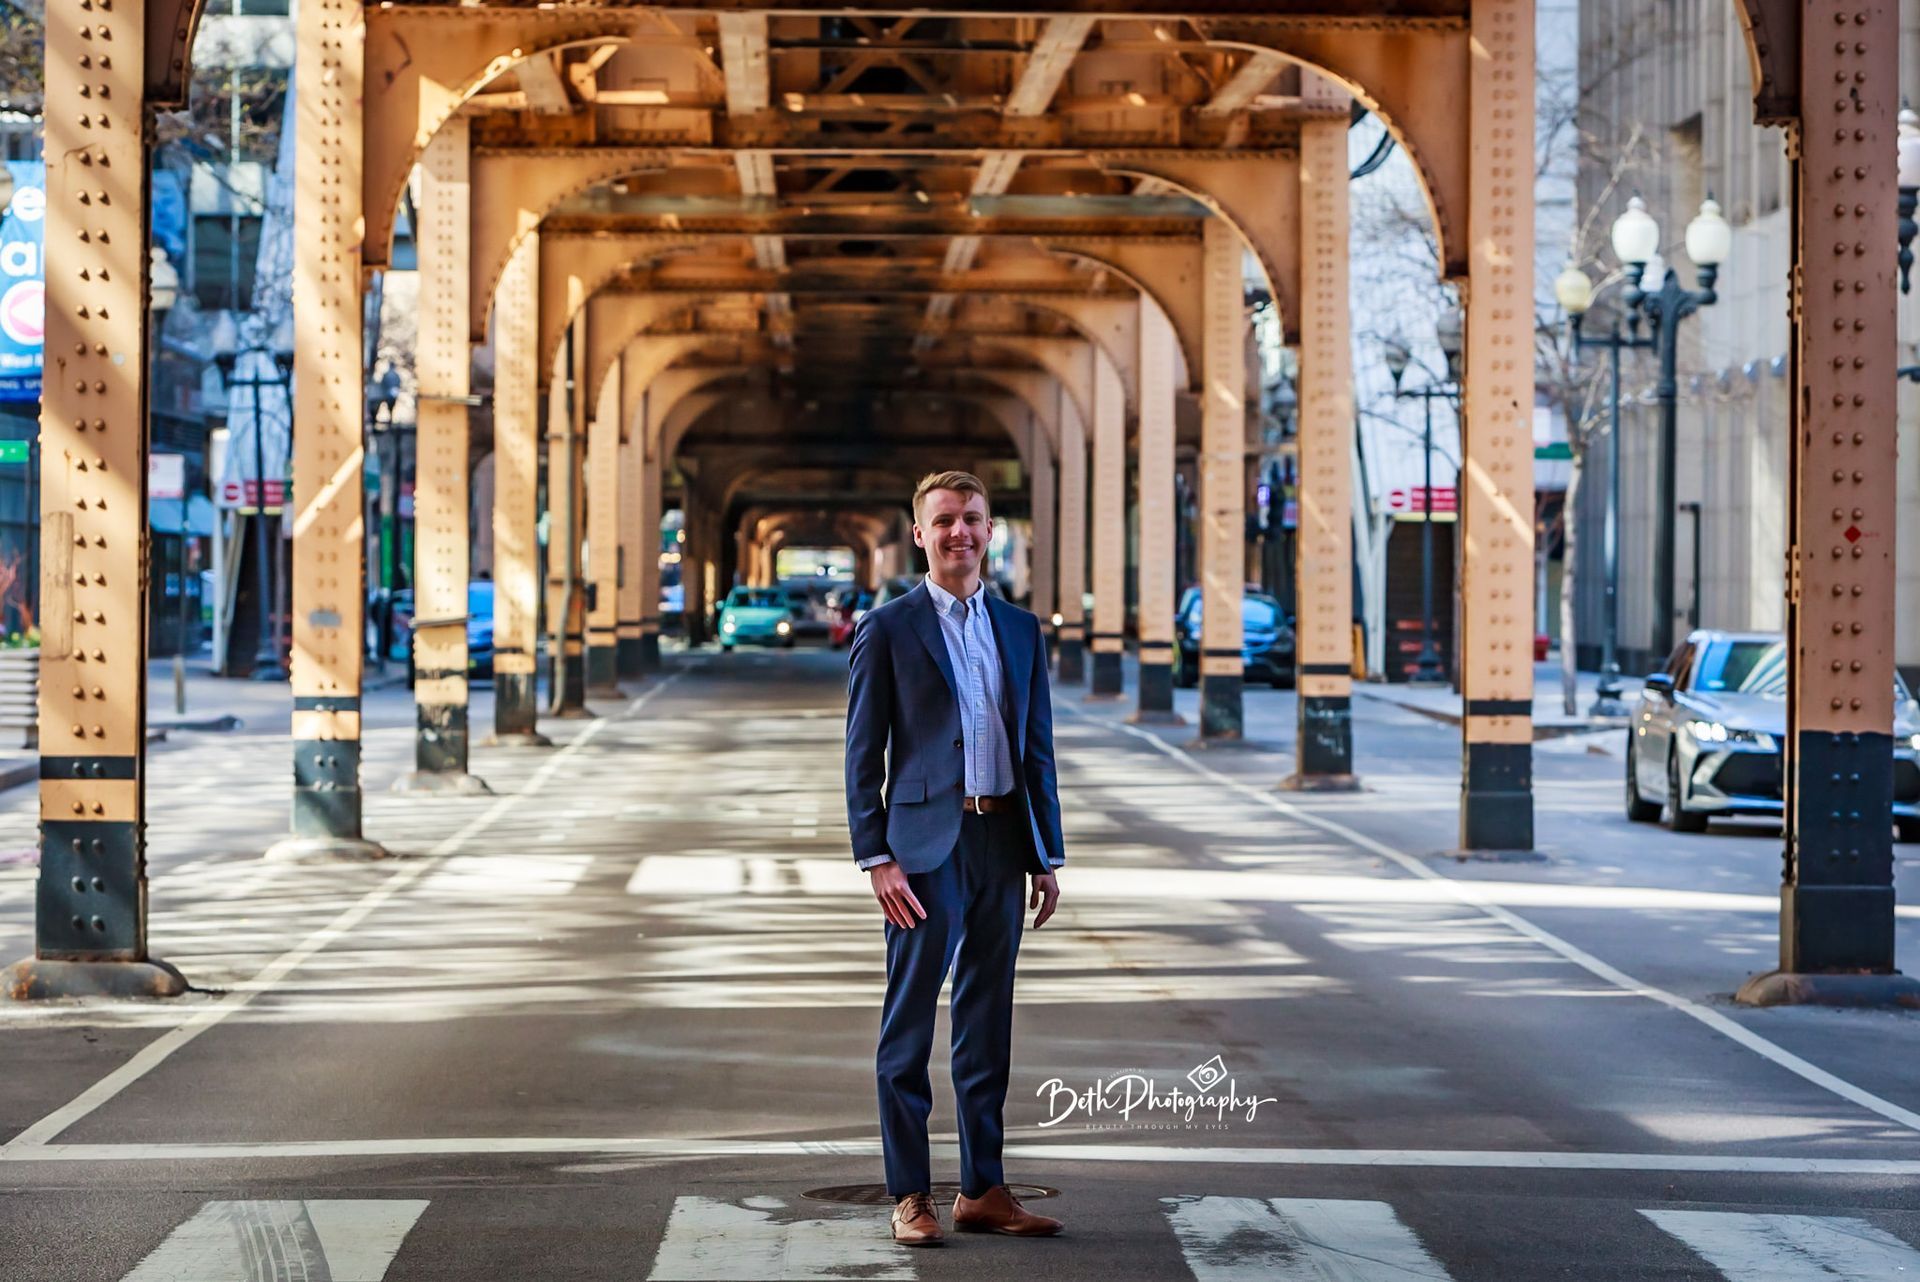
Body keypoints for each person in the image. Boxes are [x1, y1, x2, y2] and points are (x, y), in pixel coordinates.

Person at [844, 470, 1066, 1247]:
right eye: (944, 521)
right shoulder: (889, 627)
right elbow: (861, 753)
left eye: (972, 518)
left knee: (985, 1022)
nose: (959, 532)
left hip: (1002, 842)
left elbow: (1036, 748)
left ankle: (984, 1189)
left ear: (990, 530)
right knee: (907, 1029)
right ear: (920, 534)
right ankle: (910, 1195)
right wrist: (876, 856)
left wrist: (1047, 853)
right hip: (923, 850)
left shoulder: (1020, 629)